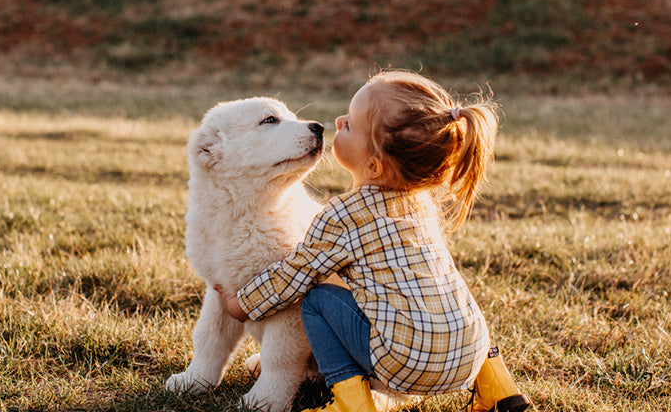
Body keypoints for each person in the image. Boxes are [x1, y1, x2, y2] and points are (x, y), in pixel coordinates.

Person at [214, 70, 530, 412]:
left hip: (406, 366)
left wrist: (241, 304)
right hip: (468, 356)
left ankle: (352, 400)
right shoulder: (420, 204)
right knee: (449, 291)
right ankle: (500, 388)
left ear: (375, 166)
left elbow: (294, 274)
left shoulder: (343, 216)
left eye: (349, 124)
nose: (338, 121)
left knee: (316, 299)